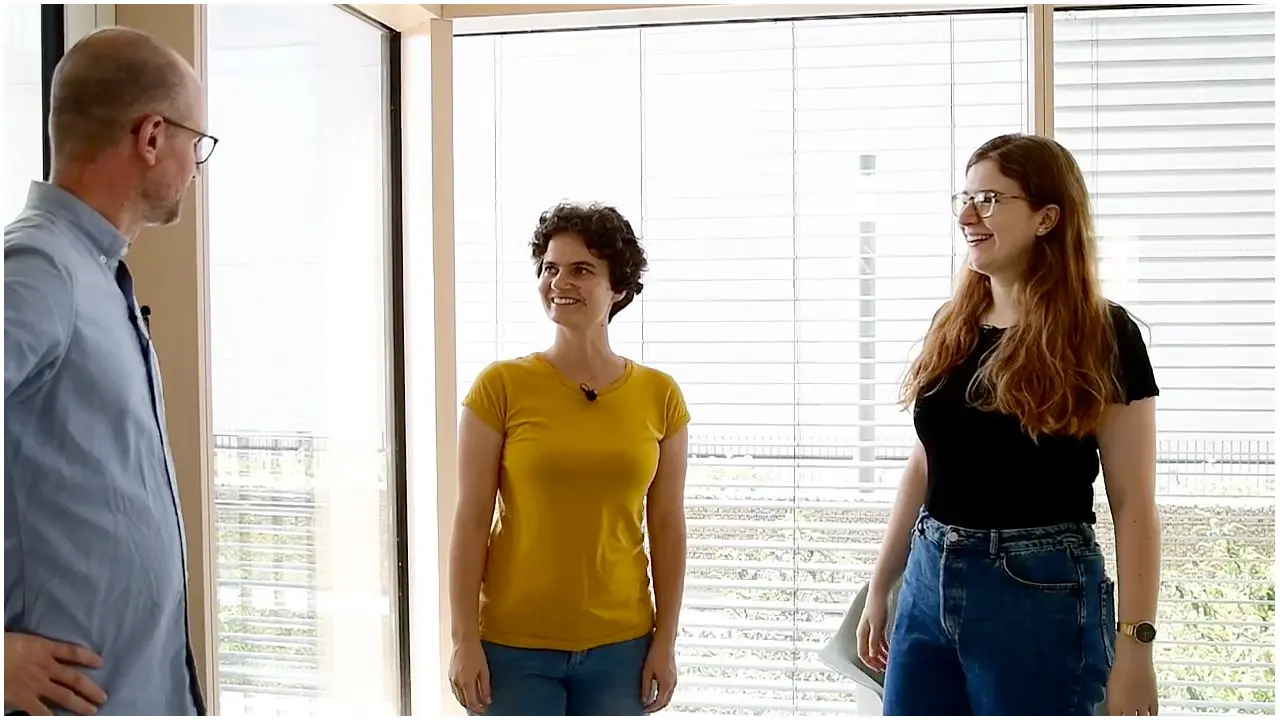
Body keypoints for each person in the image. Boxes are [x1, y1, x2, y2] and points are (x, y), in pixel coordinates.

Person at [856, 134, 1161, 716]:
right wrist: (882, 585)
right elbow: (924, 465)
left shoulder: (1105, 335)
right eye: (964, 198)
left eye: (990, 199)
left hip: (1039, 593)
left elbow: (1134, 503)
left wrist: (1136, 647)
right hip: (926, 578)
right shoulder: (955, 324)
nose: (968, 216)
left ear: (1048, 217)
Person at [4, 26, 216, 716]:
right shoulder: (39, 272)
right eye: (197, 142)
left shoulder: (95, 276)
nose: (196, 163)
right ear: (152, 136)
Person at [447, 202, 691, 716]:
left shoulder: (660, 396)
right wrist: (464, 640)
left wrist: (664, 640)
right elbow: (470, 521)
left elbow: (667, 524)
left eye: (582, 269)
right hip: (514, 648)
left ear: (618, 287)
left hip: (622, 647)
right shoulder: (501, 387)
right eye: (550, 268)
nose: (560, 281)